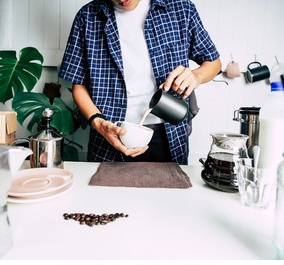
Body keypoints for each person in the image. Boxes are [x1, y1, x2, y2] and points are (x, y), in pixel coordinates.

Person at [59, 0, 221, 164]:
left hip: (169, 136)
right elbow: (79, 86)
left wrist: (196, 76)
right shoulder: (87, 16)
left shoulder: (181, 9)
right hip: (109, 135)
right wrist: (99, 123)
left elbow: (214, 63)